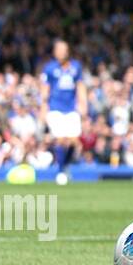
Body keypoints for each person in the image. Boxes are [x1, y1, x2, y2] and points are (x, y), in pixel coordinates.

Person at [41, 40, 86, 185]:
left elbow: (80, 86)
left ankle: (65, 166)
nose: (61, 53)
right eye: (59, 50)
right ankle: (60, 171)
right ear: (55, 52)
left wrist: (83, 104)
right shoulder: (49, 68)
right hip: (55, 107)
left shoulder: (76, 67)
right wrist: (43, 107)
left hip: (71, 108)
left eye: (64, 50)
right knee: (60, 139)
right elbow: (45, 89)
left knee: (74, 141)